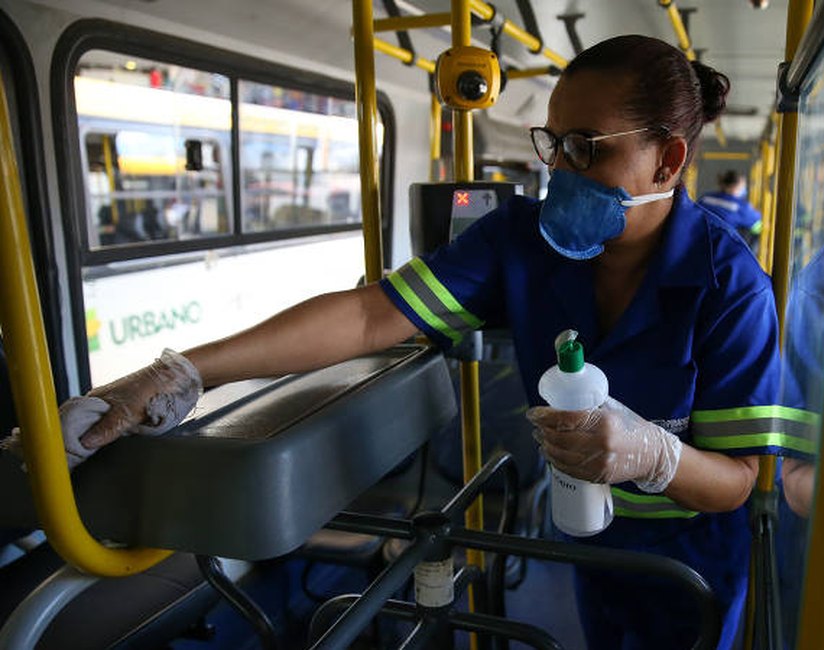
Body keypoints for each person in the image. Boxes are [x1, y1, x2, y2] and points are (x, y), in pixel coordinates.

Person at [55, 35, 785, 650]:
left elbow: (740, 481)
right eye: (552, 144)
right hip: (582, 538)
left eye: (585, 149)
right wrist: (185, 372)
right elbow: (373, 317)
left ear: (667, 160)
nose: (559, 170)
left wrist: (653, 456)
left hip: (686, 563)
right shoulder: (519, 242)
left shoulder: (731, 286)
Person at [698, 170, 762, 249]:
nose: (744, 190)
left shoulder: (705, 198)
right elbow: (758, 223)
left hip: (698, 241)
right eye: (742, 186)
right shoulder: (740, 207)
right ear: (734, 187)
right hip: (720, 248)